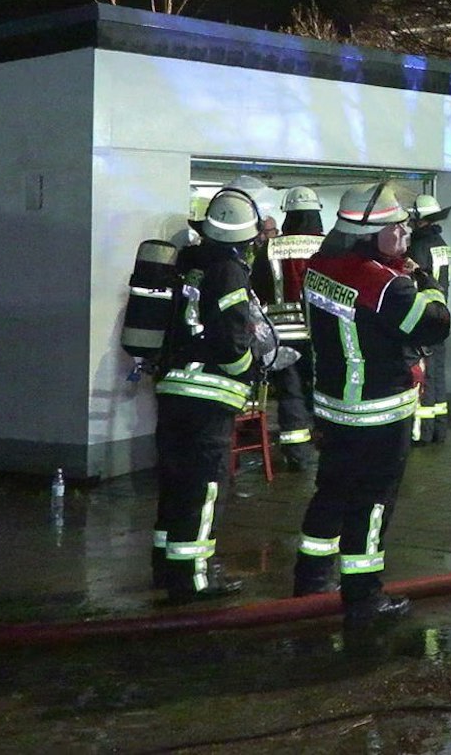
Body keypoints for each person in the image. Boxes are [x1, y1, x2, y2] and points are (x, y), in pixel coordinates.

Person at [293, 182, 450, 626]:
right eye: (395, 227)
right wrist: (426, 282)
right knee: (373, 501)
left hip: (334, 406)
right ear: (367, 234)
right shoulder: (386, 284)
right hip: (380, 411)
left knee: (331, 492)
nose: (404, 232)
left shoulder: (322, 268)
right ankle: (363, 596)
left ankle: (311, 580)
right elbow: (435, 325)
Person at [153, 184, 266, 601]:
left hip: (172, 387)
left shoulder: (188, 262)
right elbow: (234, 341)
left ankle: (166, 567)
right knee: (204, 486)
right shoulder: (230, 271)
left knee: (175, 482)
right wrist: (249, 373)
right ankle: (195, 577)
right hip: (209, 394)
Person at [252, 185, 325, 470]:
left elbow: (256, 289)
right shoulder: (328, 246)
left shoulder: (271, 248)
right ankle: (328, 441)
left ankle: (297, 454)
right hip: (322, 333)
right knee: (324, 388)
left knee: (290, 393)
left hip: (282, 336)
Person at [407, 195, 451, 445]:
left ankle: (421, 432)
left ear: (418, 219)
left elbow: (414, 282)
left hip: (424, 316)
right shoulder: (442, 243)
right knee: (438, 373)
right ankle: (439, 428)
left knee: (424, 374)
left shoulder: (418, 247)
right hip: (441, 315)